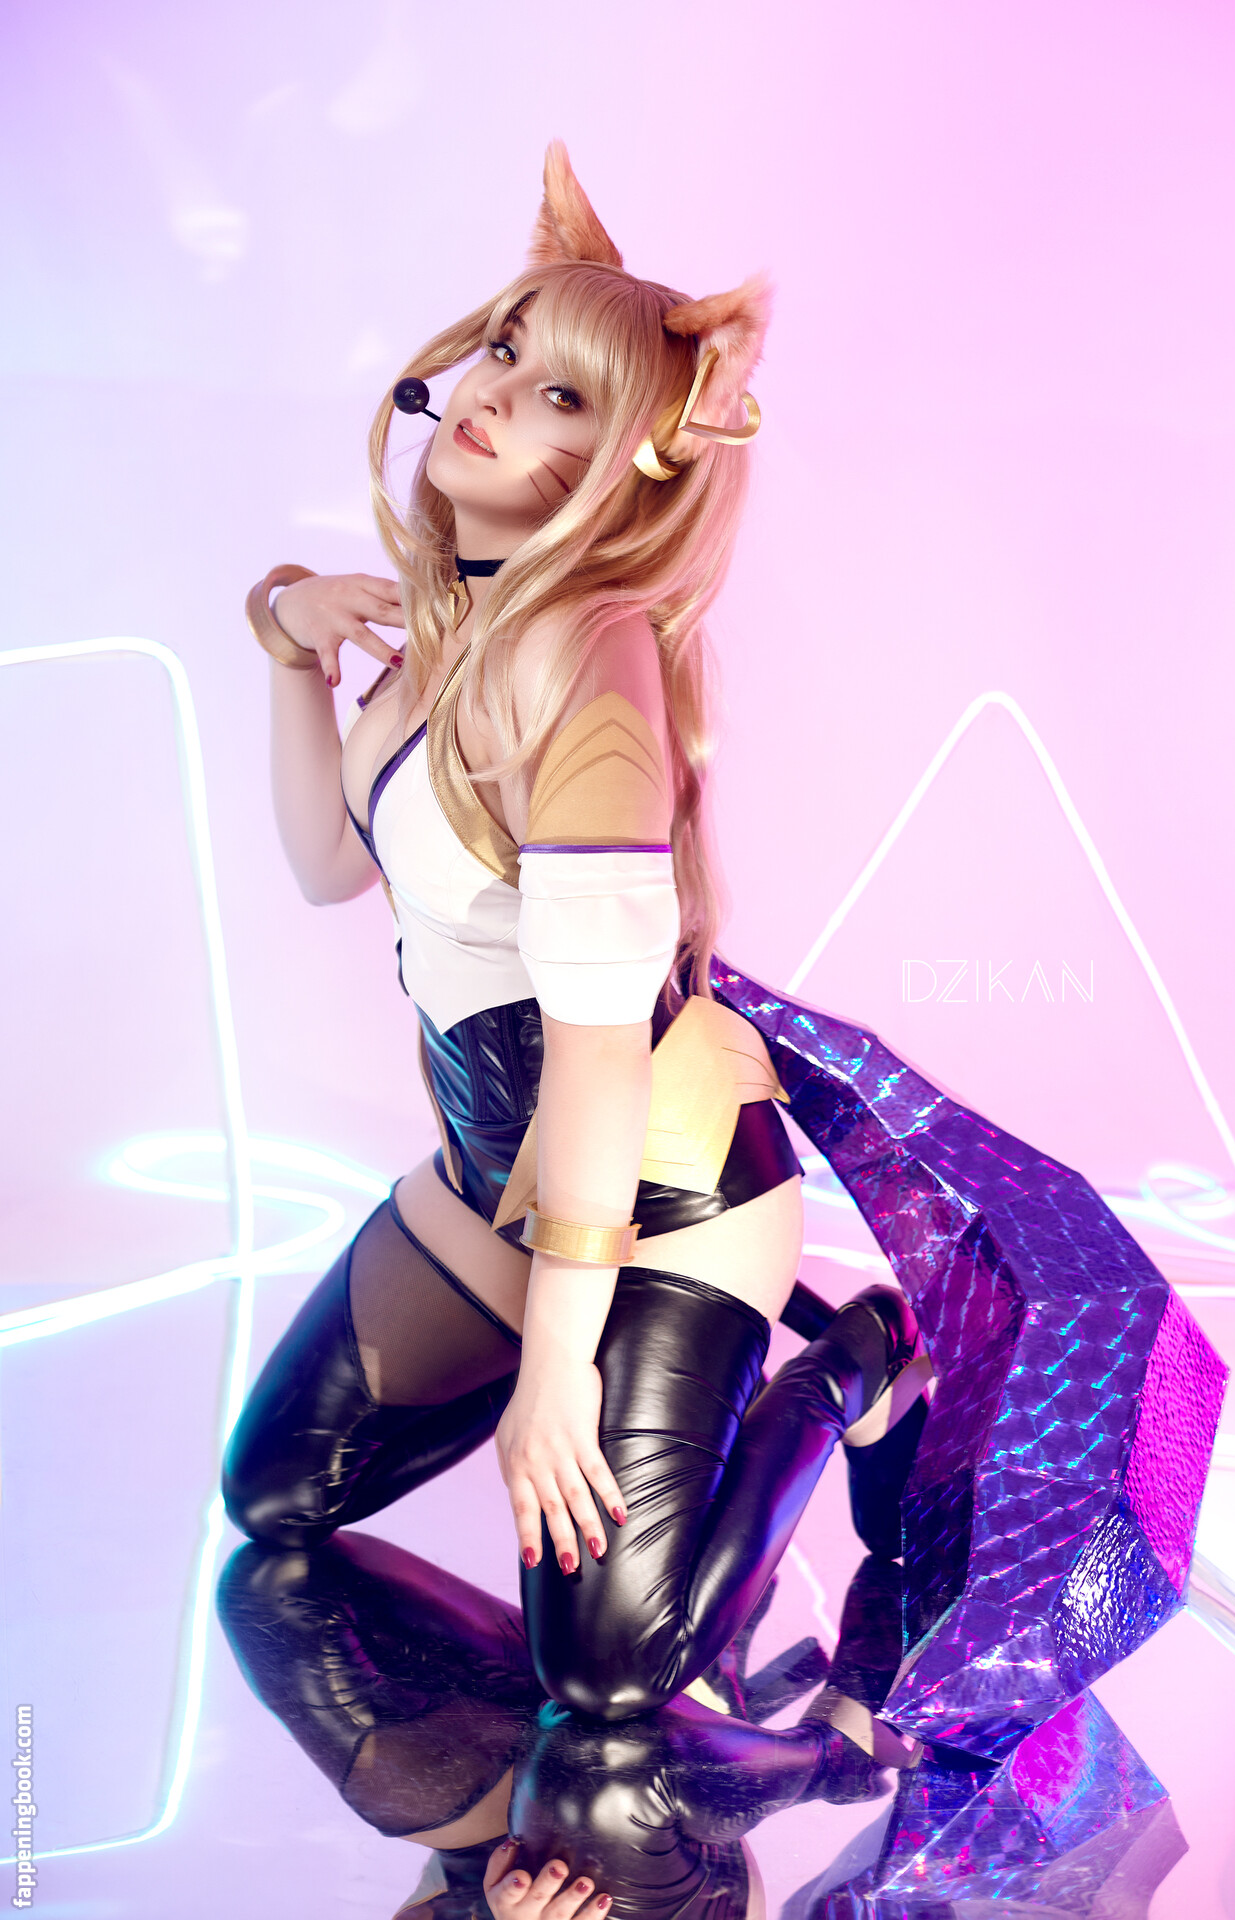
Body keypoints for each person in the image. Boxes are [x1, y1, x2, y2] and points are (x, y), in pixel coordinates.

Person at [222, 142, 931, 1718]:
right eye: (502, 350)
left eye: (560, 397)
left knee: (609, 1676)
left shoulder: (591, 660)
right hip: (501, 1175)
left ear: (628, 465)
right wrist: (286, 641)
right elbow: (329, 867)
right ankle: (722, 1367)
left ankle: (854, 1362)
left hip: (660, 1192)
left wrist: (557, 1367)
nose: (491, 393)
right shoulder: (452, 633)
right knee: (274, 1500)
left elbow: (601, 1051)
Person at [216, 1530, 897, 1920]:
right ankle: (836, 1758)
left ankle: (692, 1695)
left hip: (484, 1867)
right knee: (605, 1760)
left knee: (281, 1587)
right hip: (634, 1897)